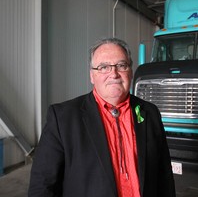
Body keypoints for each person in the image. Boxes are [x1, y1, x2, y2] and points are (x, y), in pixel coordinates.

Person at [28, 37, 176, 197]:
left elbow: (164, 176)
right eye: (104, 67)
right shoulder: (63, 118)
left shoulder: (150, 113)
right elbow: (42, 184)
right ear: (92, 75)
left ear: (131, 72)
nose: (114, 74)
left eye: (121, 65)